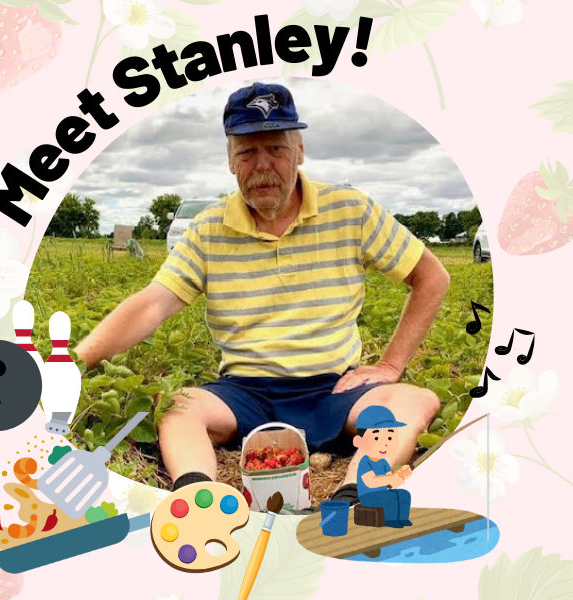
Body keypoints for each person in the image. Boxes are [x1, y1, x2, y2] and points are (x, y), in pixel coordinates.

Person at [75, 82, 450, 507]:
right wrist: (74, 364)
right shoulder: (208, 229)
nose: (262, 166)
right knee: (178, 407)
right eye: (247, 153)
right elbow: (153, 303)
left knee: (413, 401)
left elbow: (431, 277)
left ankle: (353, 500)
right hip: (243, 394)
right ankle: (199, 502)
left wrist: (390, 364)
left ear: (300, 150)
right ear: (230, 160)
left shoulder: (350, 210)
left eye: (275, 148)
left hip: (335, 390)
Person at [352, 405, 414, 528]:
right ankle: (391, 521)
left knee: (403, 494)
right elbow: (370, 482)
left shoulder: (383, 462)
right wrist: (390, 479)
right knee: (391, 497)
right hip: (366, 496)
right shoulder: (366, 462)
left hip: (380, 493)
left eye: (390, 438)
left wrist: (400, 476)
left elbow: (390, 483)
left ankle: (400, 519)